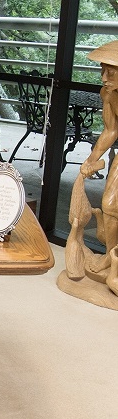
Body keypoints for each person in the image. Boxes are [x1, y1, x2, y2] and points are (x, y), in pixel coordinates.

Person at [80, 40, 118, 294]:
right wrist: (92, 159)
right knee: (110, 205)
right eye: (102, 70)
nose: (104, 77)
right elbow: (111, 129)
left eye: (111, 72)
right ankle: (111, 255)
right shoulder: (109, 94)